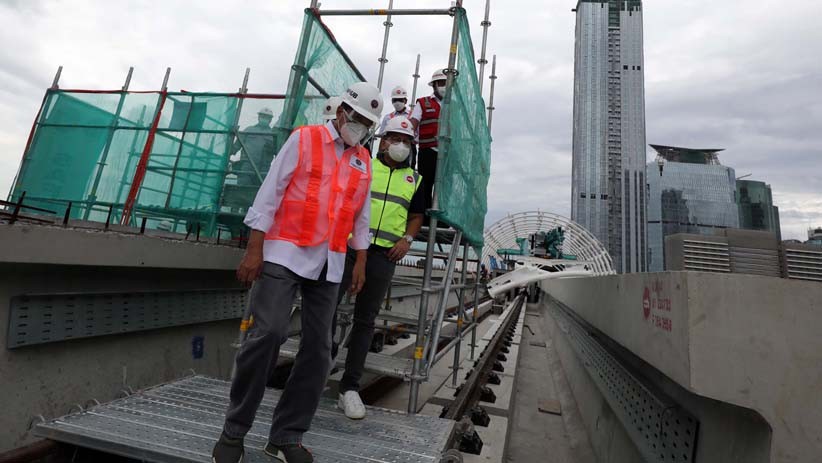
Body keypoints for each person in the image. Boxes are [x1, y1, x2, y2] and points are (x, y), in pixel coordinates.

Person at [212, 82, 383, 463]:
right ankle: (234, 431)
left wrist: (361, 261)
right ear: (341, 112)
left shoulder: (363, 160)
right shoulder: (304, 139)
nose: (359, 127)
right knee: (268, 333)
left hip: (330, 262)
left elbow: (361, 216)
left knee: (319, 351)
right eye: (357, 119)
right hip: (284, 253)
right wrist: (254, 248)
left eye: (368, 124)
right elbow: (271, 191)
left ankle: (287, 436)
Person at [334, 115, 425, 420]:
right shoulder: (363, 164)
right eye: (395, 139)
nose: (400, 145)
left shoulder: (415, 179)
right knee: (325, 308)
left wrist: (408, 240)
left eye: (406, 141)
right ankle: (317, 367)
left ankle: (349, 388)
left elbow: (416, 215)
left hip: (384, 256)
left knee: (365, 320)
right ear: (383, 141)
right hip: (346, 248)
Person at [409, 69, 448, 213]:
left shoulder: (455, 106)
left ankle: (442, 222)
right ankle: (423, 218)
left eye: (447, 83)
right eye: (442, 83)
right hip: (428, 152)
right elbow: (413, 121)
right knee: (425, 185)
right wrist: (407, 136)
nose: (445, 86)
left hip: (448, 154)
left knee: (444, 188)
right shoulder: (423, 103)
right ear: (435, 85)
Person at [231, 107, 276, 186]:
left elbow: (277, 152)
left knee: (260, 190)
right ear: (259, 117)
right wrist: (227, 154)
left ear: (270, 120)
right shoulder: (249, 130)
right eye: (262, 116)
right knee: (242, 188)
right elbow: (236, 145)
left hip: (264, 168)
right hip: (247, 164)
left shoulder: (273, 135)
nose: (264, 119)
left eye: (267, 117)